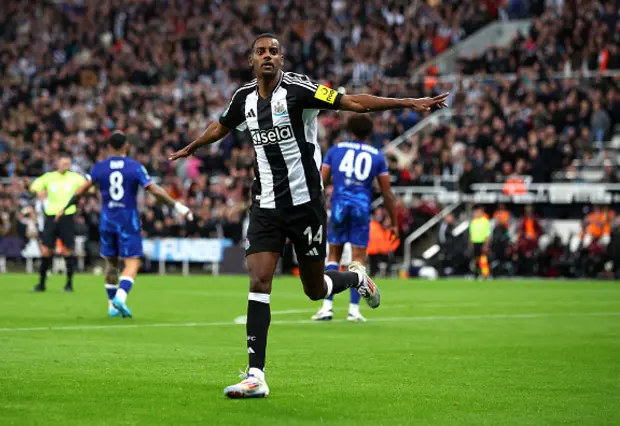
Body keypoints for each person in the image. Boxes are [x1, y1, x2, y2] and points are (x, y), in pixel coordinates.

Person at [169, 33, 448, 399]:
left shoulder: (301, 91)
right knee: (259, 281)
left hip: (306, 207)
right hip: (265, 205)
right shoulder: (244, 98)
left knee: (315, 289)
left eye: (273, 51)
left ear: (280, 58)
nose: (267, 56)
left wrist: (407, 102)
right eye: (260, 52)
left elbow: (355, 104)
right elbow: (222, 125)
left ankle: (355, 279)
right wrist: (194, 145)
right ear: (252, 60)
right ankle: (255, 374)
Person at [56, 131, 193, 317]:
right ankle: (120, 297)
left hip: (107, 219)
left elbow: (80, 191)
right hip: (128, 219)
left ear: (109, 147)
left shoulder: (99, 167)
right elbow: (154, 190)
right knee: (132, 261)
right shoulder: (134, 167)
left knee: (111, 264)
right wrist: (176, 205)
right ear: (126, 146)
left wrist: (65, 207)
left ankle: (111, 307)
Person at [311, 114, 397, 323]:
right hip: (361, 208)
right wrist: (393, 221)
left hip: (339, 206)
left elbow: (320, 182)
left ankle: (327, 307)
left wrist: (315, 209)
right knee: (357, 260)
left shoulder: (336, 150)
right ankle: (353, 310)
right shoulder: (376, 155)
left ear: (349, 131)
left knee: (333, 257)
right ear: (370, 133)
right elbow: (386, 192)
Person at [29, 153, 87, 292]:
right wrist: (38, 192)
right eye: (63, 163)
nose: (66, 166)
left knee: (67, 250)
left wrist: (80, 196)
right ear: (57, 163)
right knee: (46, 251)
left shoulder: (75, 178)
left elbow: (88, 187)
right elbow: (33, 187)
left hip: (67, 216)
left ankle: (69, 284)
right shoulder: (49, 177)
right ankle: (41, 283)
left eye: (68, 164)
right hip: (51, 215)